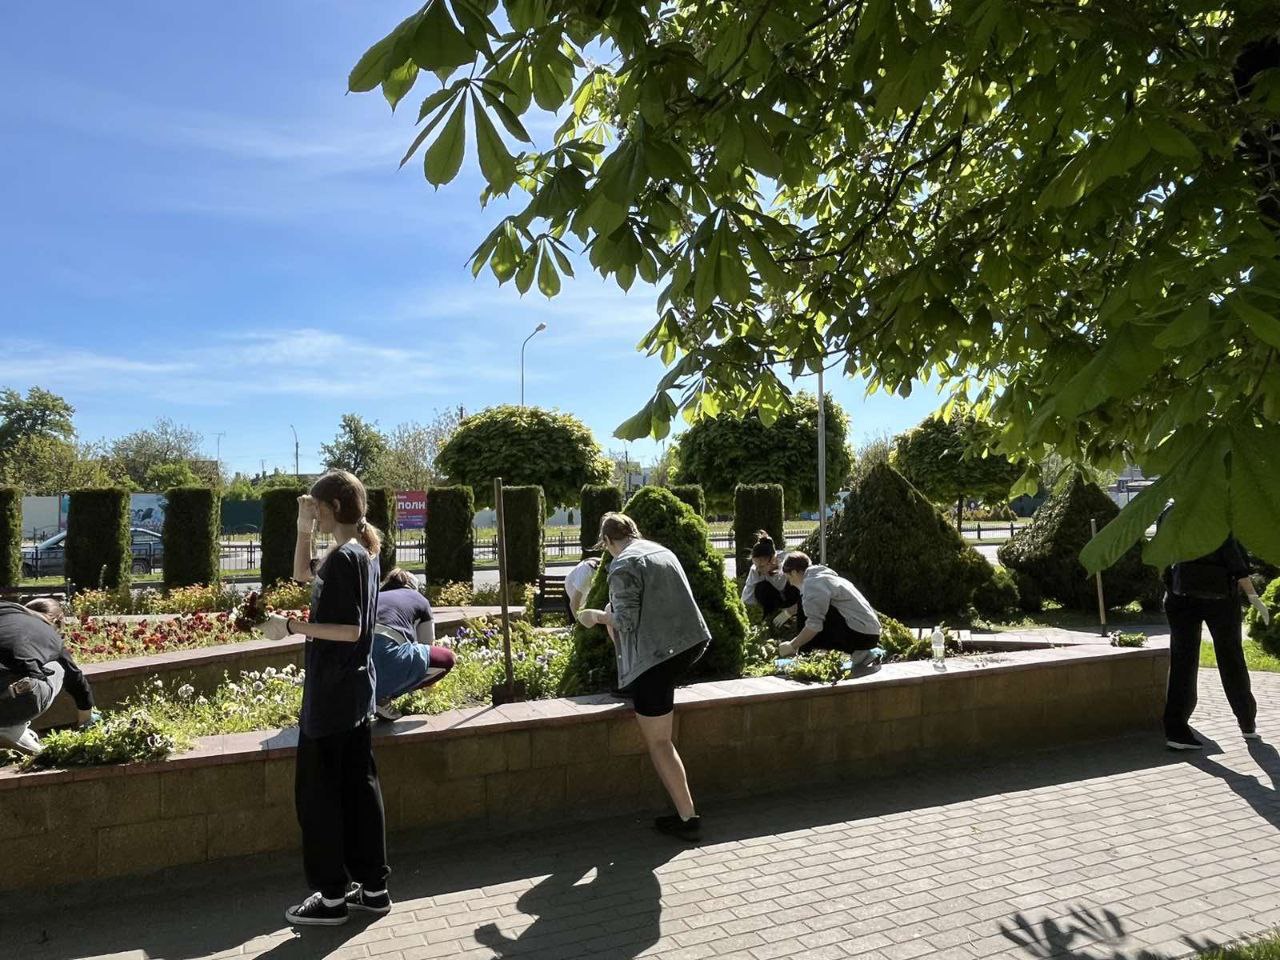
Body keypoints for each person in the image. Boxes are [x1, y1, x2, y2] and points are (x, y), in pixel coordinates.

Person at [259, 469, 391, 926]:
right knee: (359, 790)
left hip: (332, 695)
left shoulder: (344, 560)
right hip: (355, 693)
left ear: (334, 507)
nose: (312, 513)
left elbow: (349, 630)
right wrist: (303, 528)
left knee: (318, 797)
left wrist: (289, 627)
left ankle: (332, 897)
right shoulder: (362, 552)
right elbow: (300, 573)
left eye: (316, 508)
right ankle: (373, 888)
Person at [576, 513, 711, 841]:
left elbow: (624, 623)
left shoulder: (622, 565)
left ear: (607, 542)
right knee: (653, 698)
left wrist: (593, 616)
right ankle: (634, 684)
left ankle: (687, 817)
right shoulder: (661, 551)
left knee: (659, 742)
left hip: (658, 658)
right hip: (690, 644)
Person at [1162, 524, 1271, 751]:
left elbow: (1160, 554)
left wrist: (1169, 583)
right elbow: (1234, 560)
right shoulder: (1216, 515)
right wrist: (1253, 596)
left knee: (1182, 662)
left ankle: (1176, 730)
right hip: (1220, 596)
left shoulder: (1171, 514)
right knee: (1231, 658)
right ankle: (1246, 720)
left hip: (1179, 594)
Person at [0, 599, 97, 755]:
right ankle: (12, 729)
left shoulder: (5, 609)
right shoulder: (50, 634)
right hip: (18, 698)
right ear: (57, 621)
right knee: (58, 667)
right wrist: (86, 720)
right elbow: (76, 679)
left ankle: (13, 731)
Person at [370, 568, 456, 722]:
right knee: (446, 659)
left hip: (358, 657)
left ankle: (368, 697)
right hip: (388, 654)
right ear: (412, 586)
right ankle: (382, 698)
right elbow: (427, 643)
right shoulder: (420, 599)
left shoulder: (374, 596)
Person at [776, 553, 881, 668]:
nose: (790, 583)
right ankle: (861, 652)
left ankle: (805, 654)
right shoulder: (825, 577)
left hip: (861, 636)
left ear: (794, 572)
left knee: (808, 610)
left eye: (789, 578)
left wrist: (792, 645)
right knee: (810, 607)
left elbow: (814, 625)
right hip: (870, 634)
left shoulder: (812, 584)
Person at [740, 531, 797, 628]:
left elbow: (809, 595)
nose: (758, 569)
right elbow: (747, 597)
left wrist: (790, 611)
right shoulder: (756, 570)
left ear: (773, 560)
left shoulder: (789, 564)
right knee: (761, 588)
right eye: (756, 565)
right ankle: (771, 618)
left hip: (796, 600)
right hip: (777, 600)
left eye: (761, 566)